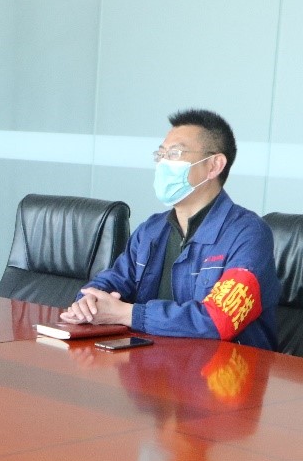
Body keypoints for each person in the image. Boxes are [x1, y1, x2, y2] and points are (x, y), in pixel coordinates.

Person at [61, 109, 281, 349]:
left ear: (214, 165)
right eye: (161, 155)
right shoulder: (151, 230)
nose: (163, 163)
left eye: (175, 154)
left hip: (226, 367)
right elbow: (114, 280)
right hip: (152, 362)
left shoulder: (248, 234)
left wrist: (128, 314)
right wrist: (88, 302)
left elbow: (219, 319)